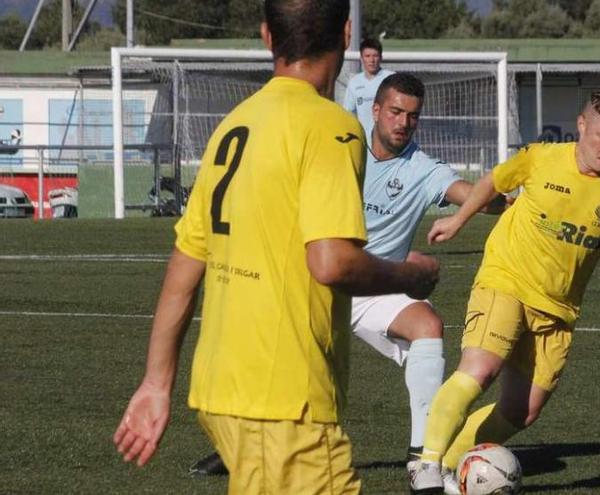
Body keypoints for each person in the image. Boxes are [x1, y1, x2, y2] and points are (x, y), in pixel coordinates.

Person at [112, 2, 439, 494]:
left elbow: (185, 263)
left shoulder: (233, 126)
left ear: (267, 36)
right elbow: (330, 261)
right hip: (286, 398)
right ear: (347, 34)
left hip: (220, 391)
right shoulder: (330, 126)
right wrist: (410, 277)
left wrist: (157, 384)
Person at [189, 72, 509, 484]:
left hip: (377, 285)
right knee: (279, 370)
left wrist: (511, 194)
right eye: (395, 112)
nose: (403, 123)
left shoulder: (424, 169)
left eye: (412, 116)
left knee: (427, 326)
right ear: (375, 110)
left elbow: (476, 196)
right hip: (321, 278)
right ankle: (234, 449)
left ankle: (421, 459)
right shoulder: (342, 145)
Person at [410, 89, 600, 494]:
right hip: (505, 280)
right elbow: (494, 181)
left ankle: (453, 467)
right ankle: (428, 467)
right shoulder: (542, 157)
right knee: (480, 369)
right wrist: (458, 220)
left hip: (558, 309)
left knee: (522, 410)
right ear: (582, 126)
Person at [343, 37, 394, 135]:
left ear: (381, 57)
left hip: (387, 139)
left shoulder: (391, 78)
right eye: (367, 56)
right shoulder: (354, 82)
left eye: (375, 56)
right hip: (364, 139)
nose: (372, 60)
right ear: (361, 58)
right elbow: (348, 112)